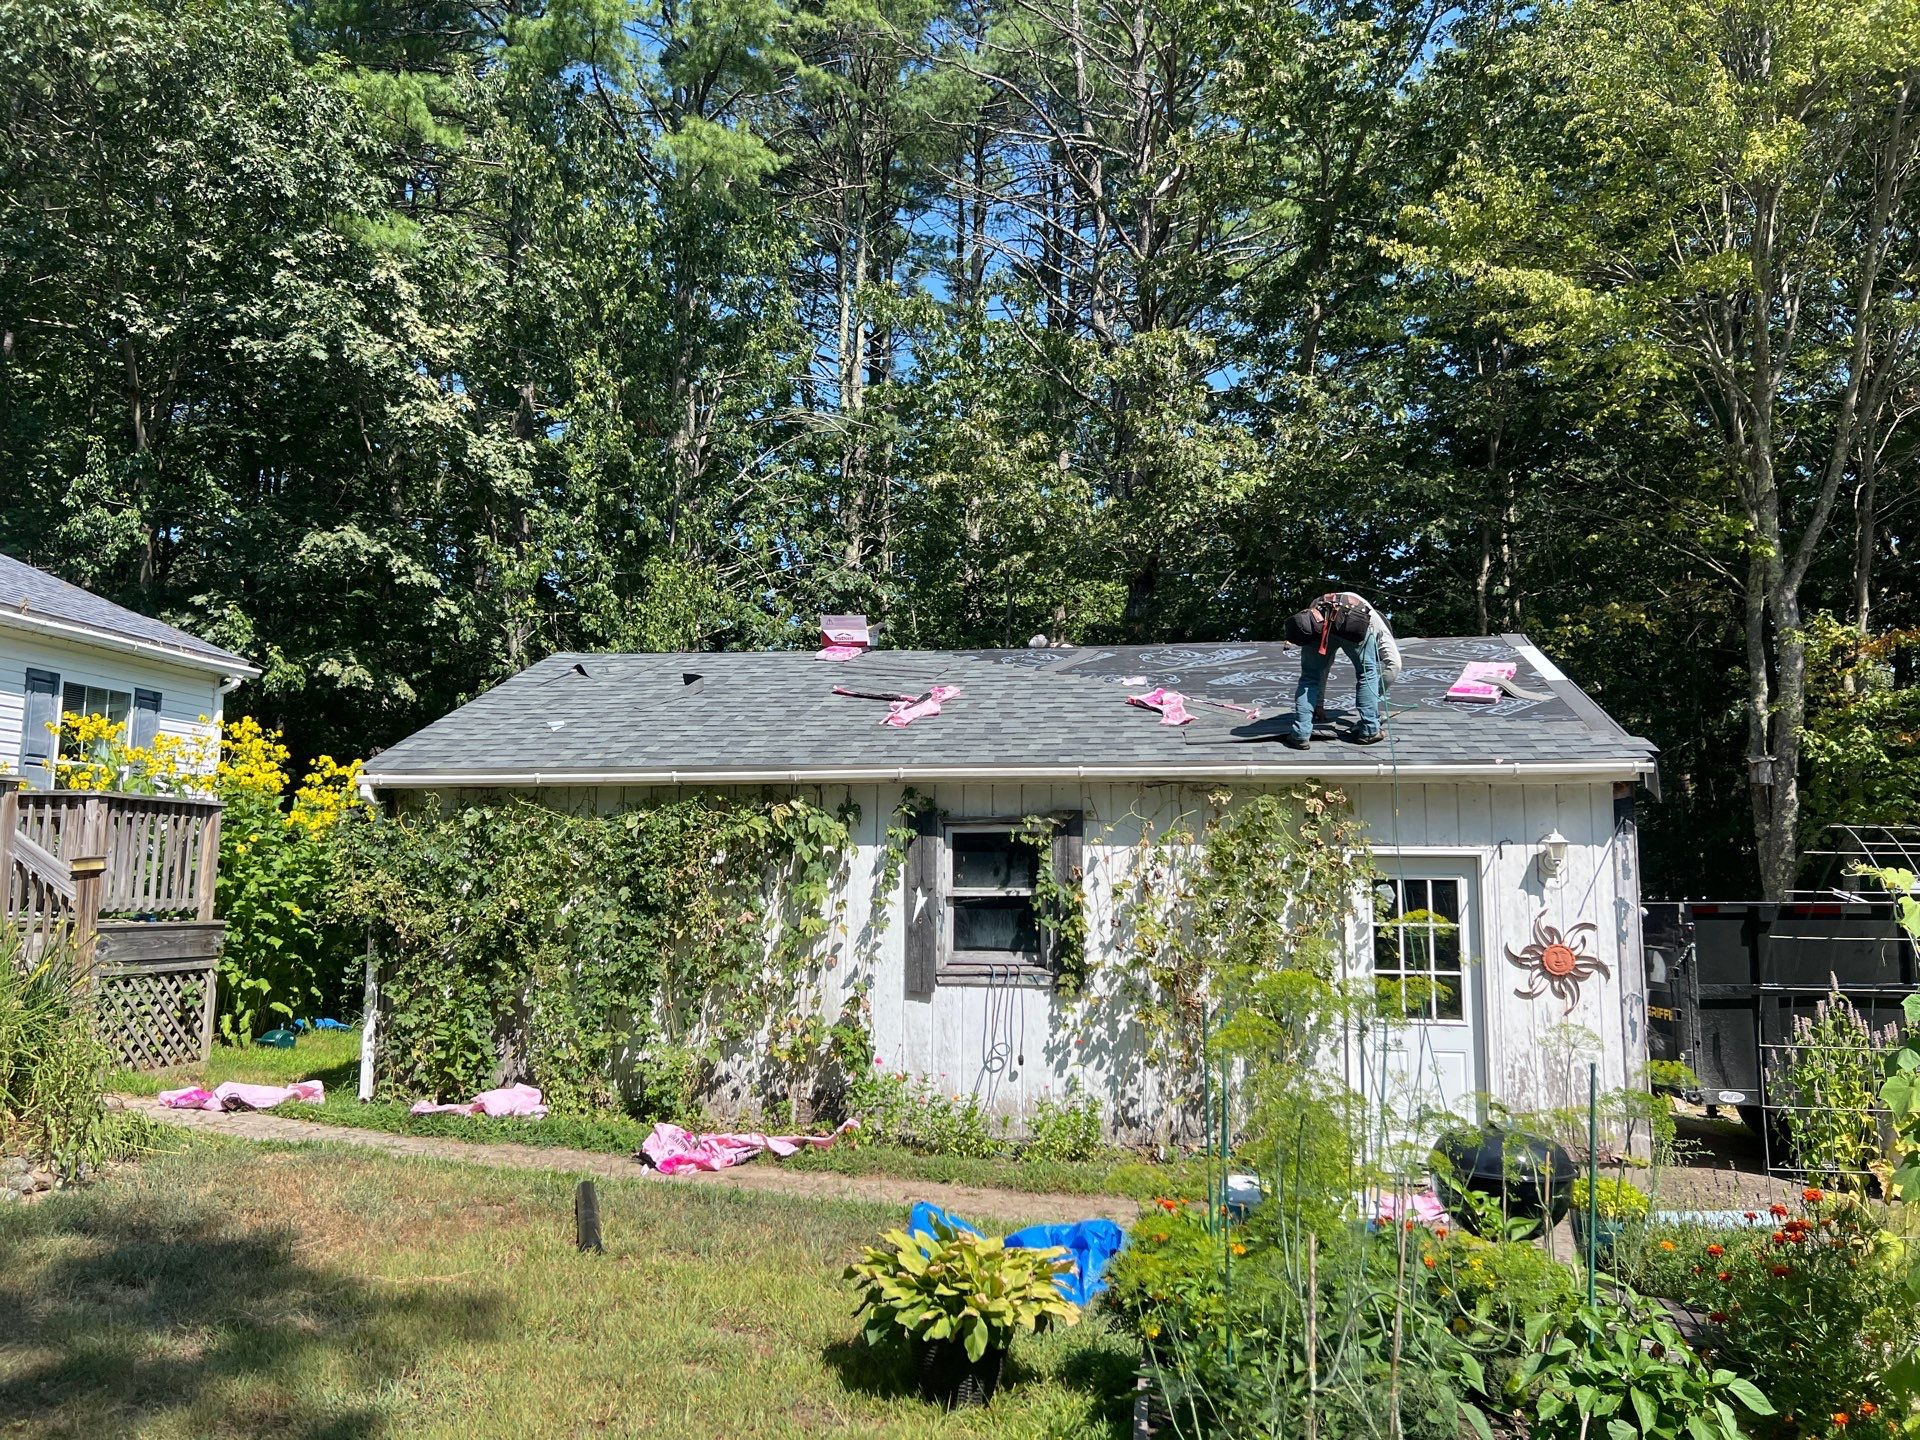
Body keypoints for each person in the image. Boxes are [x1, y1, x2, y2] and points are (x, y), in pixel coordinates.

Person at [1281, 591, 1402, 748]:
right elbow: (1395, 665)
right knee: (1367, 674)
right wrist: (1373, 699)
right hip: (1353, 621)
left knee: (1310, 678)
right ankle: (1369, 730)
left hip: (1321, 618)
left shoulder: (1322, 601)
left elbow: (1321, 669)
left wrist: (1318, 703)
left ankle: (1300, 735)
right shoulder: (1376, 624)